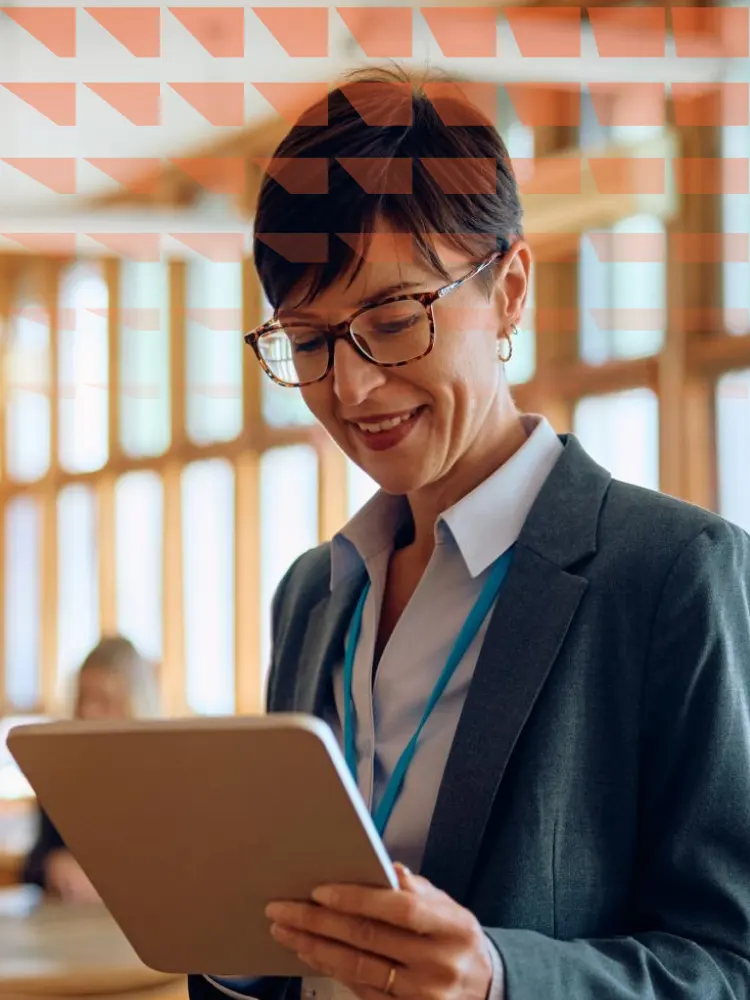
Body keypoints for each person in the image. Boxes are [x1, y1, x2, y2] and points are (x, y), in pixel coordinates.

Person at [190, 67, 750, 1000]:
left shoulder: (670, 574)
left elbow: (732, 962)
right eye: (311, 341)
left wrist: (501, 979)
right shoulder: (312, 594)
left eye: (392, 320)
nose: (352, 388)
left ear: (511, 290)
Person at [21, 635, 161, 902]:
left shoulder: (162, 783)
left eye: (104, 700)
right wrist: (52, 866)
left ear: (135, 705)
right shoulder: (60, 778)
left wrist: (109, 883)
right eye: (83, 699)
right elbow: (32, 864)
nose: (88, 712)